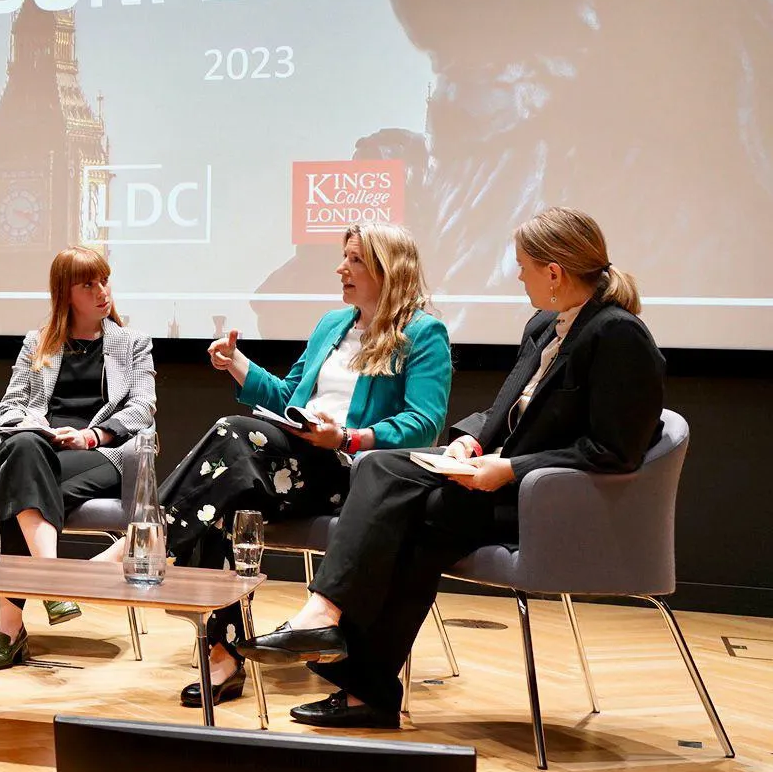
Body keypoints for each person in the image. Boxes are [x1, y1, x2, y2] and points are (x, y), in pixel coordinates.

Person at [240, 208, 663, 730]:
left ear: (554, 273)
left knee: (391, 492)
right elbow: (505, 409)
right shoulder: (543, 328)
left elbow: (614, 450)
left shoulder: (618, 336)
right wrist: (469, 439)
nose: (518, 275)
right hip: (492, 484)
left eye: (524, 266)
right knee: (393, 490)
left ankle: (328, 622)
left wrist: (509, 467)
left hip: (546, 502)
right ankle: (359, 681)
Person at [98, 222, 451, 708]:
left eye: (354, 260)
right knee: (219, 499)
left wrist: (347, 436)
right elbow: (290, 397)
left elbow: (426, 423)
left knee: (231, 435)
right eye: (344, 258)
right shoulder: (333, 324)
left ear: (388, 270)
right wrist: (238, 364)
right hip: (294, 462)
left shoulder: (423, 334)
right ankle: (221, 654)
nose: (340, 268)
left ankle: (142, 544)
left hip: (356, 472)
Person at [0, 246, 157, 672]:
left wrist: (93, 435)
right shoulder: (38, 343)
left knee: (15, 487)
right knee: (22, 449)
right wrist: (40, 426)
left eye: (103, 280)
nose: (101, 291)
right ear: (65, 294)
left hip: (103, 453)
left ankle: (8, 630)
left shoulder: (132, 344)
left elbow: (143, 408)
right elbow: (10, 405)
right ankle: (54, 581)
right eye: (88, 284)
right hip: (43, 448)